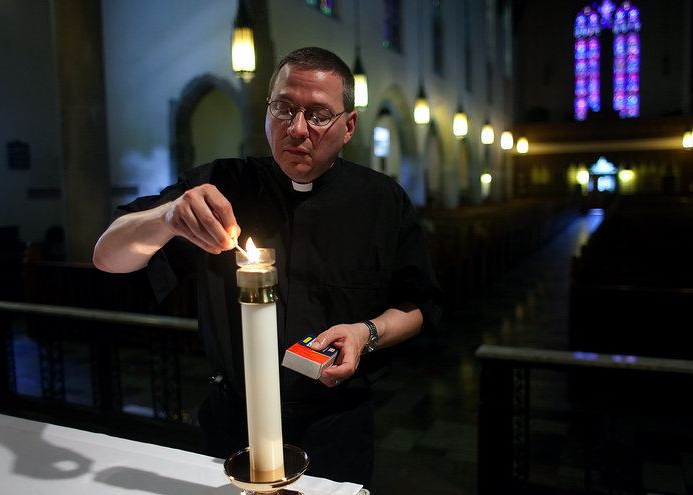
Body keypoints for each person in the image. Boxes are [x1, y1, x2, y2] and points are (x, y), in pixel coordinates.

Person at [93, 46, 443, 487]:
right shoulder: (217, 184)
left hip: (334, 426)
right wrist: (164, 219)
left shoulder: (381, 202)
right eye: (284, 108)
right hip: (230, 422)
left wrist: (365, 333)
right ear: (266, 112)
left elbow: (419, 306)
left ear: (348, 125)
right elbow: (107, 257)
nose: (297, 129)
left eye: (318, 115)